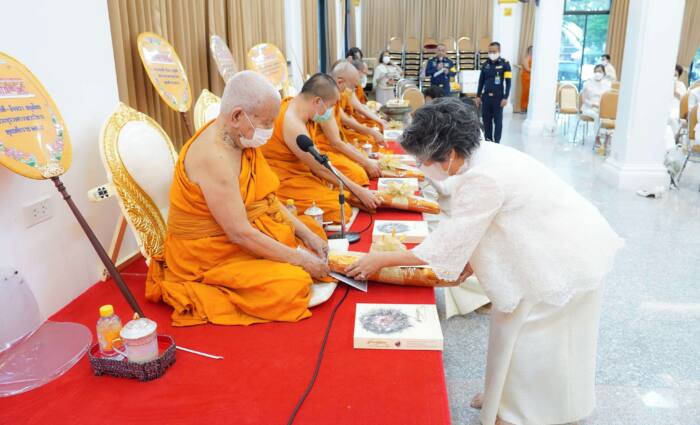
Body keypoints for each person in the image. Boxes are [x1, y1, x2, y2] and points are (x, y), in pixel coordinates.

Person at [345, 97, 623, 425]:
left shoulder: (483, 177)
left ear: (449, 154)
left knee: (534, 343)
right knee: (508, 331)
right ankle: (500, 396)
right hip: (545, 244)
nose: (422, 166)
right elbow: (480, 226)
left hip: (562, 256)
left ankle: (521, 414)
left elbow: (449, 241)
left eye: (424, 160)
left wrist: (381, 259)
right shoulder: (481, 153)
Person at [145, 71, 332, 327]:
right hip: (209, 256)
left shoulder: (241, 140)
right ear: (236, 116)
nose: (269, 131)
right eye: (266, 123)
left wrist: (307, 235)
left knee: (313, 231)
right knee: (293, 284)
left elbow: (267, 200)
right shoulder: (214, 158)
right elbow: (239, 234)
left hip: (245, 231)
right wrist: (301, 259)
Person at [261, 73, 381, 224]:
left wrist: (356, 190)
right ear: (317, 101)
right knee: (339, 209)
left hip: (302, 171)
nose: (330, 111)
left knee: (342, 191)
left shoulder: (300, 109)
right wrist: (358, 190)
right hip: (284, 181)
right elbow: (320, 168)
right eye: (330, 107)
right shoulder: (293, 123)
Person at [309, 61, 382, 184]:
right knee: (359, 174)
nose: (353, 90)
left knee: (364, 157)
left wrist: (365, 159)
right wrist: (366, 162)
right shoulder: (324, 100)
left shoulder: (334, 95)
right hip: (323, 151)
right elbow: (336, 142)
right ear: (340, 82)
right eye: (352, 87)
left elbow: (345, 121)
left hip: (337, 143)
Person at [475, 41, 512, 143]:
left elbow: (508, 82)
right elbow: (481, 81)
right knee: (486, 121)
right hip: (486, 97)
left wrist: (505, 97)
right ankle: (488, 140)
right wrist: (478, 96)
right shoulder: (485, 64)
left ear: (499, 51)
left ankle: (497, 142)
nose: (491, 54)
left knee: (498, 121)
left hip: (498, 98)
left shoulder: (505, 64)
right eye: (490, 52)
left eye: (494, 52)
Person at [348, 59, 389, 131]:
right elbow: (348, 117)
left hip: (357, 118)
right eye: (364, 73)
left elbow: (361, 107)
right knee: (376, 126)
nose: (365, 75)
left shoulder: (352, 88)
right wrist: (369, 131)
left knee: (378, 124)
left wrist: (379, 120)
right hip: (351, 123)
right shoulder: (345, 91)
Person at [520, 45, 532, 112]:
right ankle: (523, 108)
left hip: (531, 78)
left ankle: (528, 107)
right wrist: (535, 71)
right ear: (529, 51)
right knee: (525, 92)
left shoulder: (533, 58)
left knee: (530, 93)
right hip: (526, 77)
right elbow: (527, 68)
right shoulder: (525, 58)